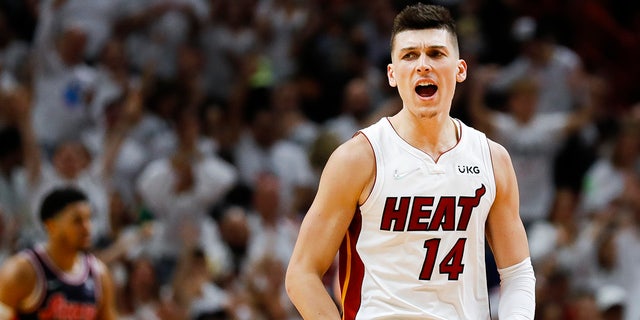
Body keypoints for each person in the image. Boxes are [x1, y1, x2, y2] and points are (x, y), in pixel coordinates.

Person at [285, 4, 535, 319]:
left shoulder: (492, 159)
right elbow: (302, 273)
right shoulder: (359, 157)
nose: (423, 65)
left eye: (435, 53)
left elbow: (517, 273)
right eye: (409, 55)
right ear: (392, 74)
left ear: (460, 69)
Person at [0, 187, 117, 319]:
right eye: (77, 221)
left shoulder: (99, 274)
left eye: (89, 219)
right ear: (51, 226)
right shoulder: (21, 271)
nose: (87, 227)